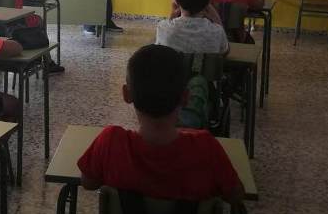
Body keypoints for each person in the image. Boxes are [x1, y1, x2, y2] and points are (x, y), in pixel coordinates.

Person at [77, 44, 244, 205]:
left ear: (126, 95)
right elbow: (234, 195)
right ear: (185, 98)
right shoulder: (206, 147)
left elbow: (88, 182)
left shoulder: (110, 141)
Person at [157, 0, 228, 54]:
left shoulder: (163, 28)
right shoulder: (217, 32)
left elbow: (160, 50)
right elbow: (225, 51)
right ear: (208, 1)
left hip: (175, 67)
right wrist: (217, 18)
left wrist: (172, 13)